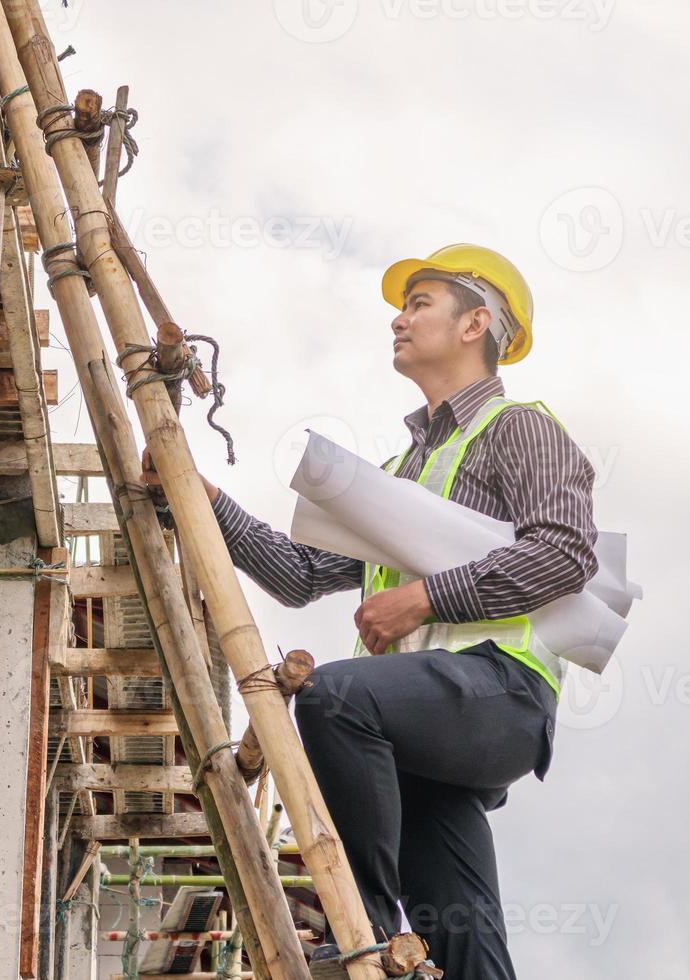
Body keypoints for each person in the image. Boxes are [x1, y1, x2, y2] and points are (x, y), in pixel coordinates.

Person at [142, 245, 599, 979]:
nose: (399, 317)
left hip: (501, 693)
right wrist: (203, 499)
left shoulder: (521, 430)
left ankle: (365, 933)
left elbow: (565, 555)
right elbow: (298, 574)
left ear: (475, 322)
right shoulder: (402, 476)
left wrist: (423, 597)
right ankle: (407, 939)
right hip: (421, 734)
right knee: (465, 941)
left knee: (333, 694)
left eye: (420, 303)